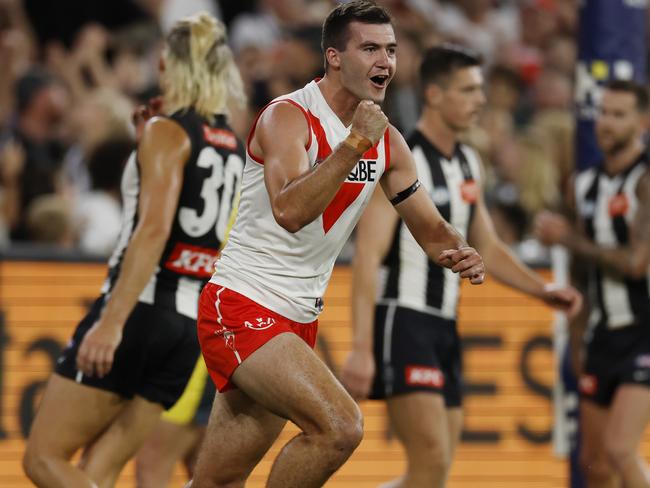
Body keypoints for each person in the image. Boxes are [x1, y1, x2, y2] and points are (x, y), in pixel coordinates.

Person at [191, 2, 486, 487]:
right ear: (333, 57)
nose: (384, 62)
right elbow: (288, 211)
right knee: (339, 428)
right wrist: (352, 145)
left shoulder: (386, 141)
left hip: (298, 318)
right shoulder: (287, 117)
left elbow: (430, 227)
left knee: (217, 482)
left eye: (390, 50)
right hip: (243, 303)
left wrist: (459, 248)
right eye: (369, 48)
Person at [340, 45, 583, 488]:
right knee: (431, 463)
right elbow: (368, 256)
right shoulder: (398, 157)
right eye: (468, 90)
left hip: (445, 327)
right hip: (404, 319)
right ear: (434, 94)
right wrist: (361, 346)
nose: (481, 100)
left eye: (480, 90)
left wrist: (540, 291)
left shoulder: (469, 163)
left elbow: (486, 243)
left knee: (434, 472)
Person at [23, 12, 246, 487]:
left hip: (141, 310)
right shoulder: (231, 145)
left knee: (43, 460)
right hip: (188, 328)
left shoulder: (168, 133)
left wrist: (111, 321)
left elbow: (153, 232)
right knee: (99, 471)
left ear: (170, 65)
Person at [536, 79, 650, 488]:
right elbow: (583, 270)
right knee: (595, 463)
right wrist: (578, 334)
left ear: (642, 122)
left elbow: (637, 263)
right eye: (603, 112)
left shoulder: (644, 180)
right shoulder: (584, 185)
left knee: (621, 449)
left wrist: (564, 236)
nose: (606, 122)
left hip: (643, 333)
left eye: (618, 114)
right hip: (601, 336)